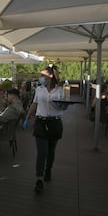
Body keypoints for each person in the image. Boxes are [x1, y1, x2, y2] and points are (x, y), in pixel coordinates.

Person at [23, 65, 67, 194]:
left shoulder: (60, 90)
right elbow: (35, 104)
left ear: (50, 76)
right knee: (42, 152)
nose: (41, 78)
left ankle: (48, 169)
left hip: (55, 123)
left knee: (51, 151)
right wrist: (27, 117)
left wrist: (63, 106)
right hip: (41, 123)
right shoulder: (39, 89)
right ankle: (39, 179)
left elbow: (63, 105)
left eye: (43, 75)